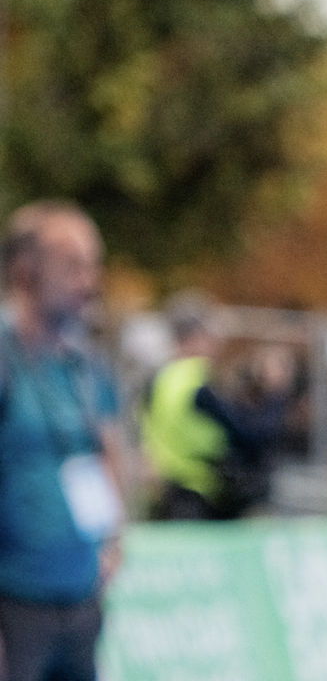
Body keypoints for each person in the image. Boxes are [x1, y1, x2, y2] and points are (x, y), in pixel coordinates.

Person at [0, 203, 124, 681]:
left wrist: (114, 537)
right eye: (72, 264)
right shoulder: (7, 356)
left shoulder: (86, 364)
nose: (88, 281)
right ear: (25, 270)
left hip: (81, 599)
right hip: (15, 604)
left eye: (93, 264)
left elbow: (105, 448)